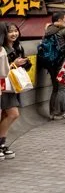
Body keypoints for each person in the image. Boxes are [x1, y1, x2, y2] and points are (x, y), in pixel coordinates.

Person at [0, 25, 30, 154]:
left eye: (15, 31)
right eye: (10, 32)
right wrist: (14, 64)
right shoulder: (2, 49)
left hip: (13, 86)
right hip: (4, 86)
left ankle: (2, 144)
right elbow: (4, 70)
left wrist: (26, 63)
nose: (13, 34)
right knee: (12, 114)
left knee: (8, 115)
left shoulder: (18, 47)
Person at [39, 16, 65, 120]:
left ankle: (52, 113)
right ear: (60, 20)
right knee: (63, 87)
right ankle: (60, 112)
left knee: (55, 88)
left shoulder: (48, 30)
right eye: (64, 19)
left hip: (50, 62)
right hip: (63, 61)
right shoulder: (64, 31)